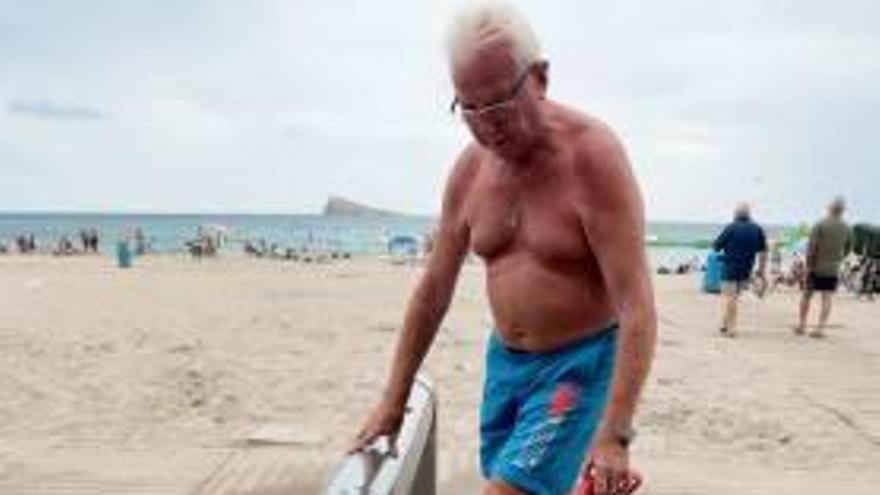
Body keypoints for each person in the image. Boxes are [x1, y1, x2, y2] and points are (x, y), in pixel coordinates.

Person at [349, 4, 657, 495]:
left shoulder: (594, 158)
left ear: (540, 77)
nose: (486, 125)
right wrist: (394, 397)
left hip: (578, 368)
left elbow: (636, 303)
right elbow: (433, 290)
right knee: (513, 479)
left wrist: (615, 432)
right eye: (468, 109)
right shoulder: (469, 172)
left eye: (498, 105)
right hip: (505, 366)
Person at [796, 197, 852, 337]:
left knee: (806, 296)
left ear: (829, 208)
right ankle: (821, 328)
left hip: (816, 267)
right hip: (833, 267)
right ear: (843, 210)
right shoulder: (847, 228)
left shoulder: (820, 224)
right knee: (827, 297)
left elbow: (811, 248)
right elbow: (848, 248)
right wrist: (838, 258)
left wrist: (808, 266)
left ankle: (802, 325)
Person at [712, 203, 767, 337]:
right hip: (746, 269)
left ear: (736, 215)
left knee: (731, 298)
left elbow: (715, 246)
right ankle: (725, 325)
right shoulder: (757, 229)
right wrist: (761, 270)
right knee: (734, 298)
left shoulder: (731, 228)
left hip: (730, 267)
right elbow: (763, 252)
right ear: (749, 215)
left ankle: (732, 328)